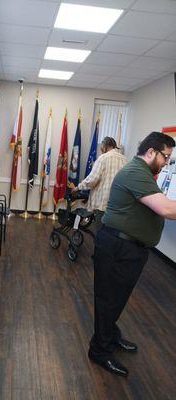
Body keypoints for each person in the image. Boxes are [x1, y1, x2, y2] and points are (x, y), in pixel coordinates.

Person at [88, 131, 176, 377]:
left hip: (128, 248)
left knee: (117, 298)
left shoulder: (143, 172)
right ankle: (99, 351)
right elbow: (167, 209)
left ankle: (110, 336)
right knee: (108, 301)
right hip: (118, 247)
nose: (167, 162)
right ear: (151, 152)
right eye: (166, 157)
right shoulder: (136, 172)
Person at [72, 137, 127, 231]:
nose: (101, 150)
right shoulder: (124, 160)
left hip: (103, 203)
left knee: (100, 232)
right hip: (118, 204)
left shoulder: (103, 158)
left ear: (105, 146)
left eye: (101, 147)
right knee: (112, 233)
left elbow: (92, 179)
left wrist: (78, 187)